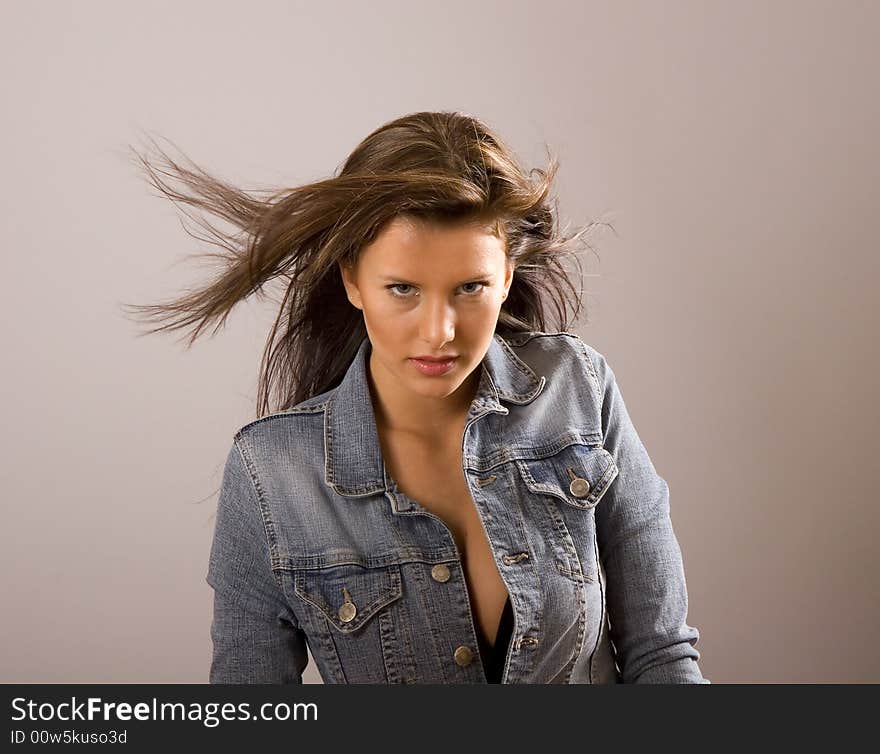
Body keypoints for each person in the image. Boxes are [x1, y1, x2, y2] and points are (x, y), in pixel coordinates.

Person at [121, 111, 708, 683]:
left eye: (470, 287)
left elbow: (662, 655)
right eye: (403, 289)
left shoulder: (579, 390)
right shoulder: (271, 474)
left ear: (506, 275)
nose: (439, 332)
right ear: (352, 279)